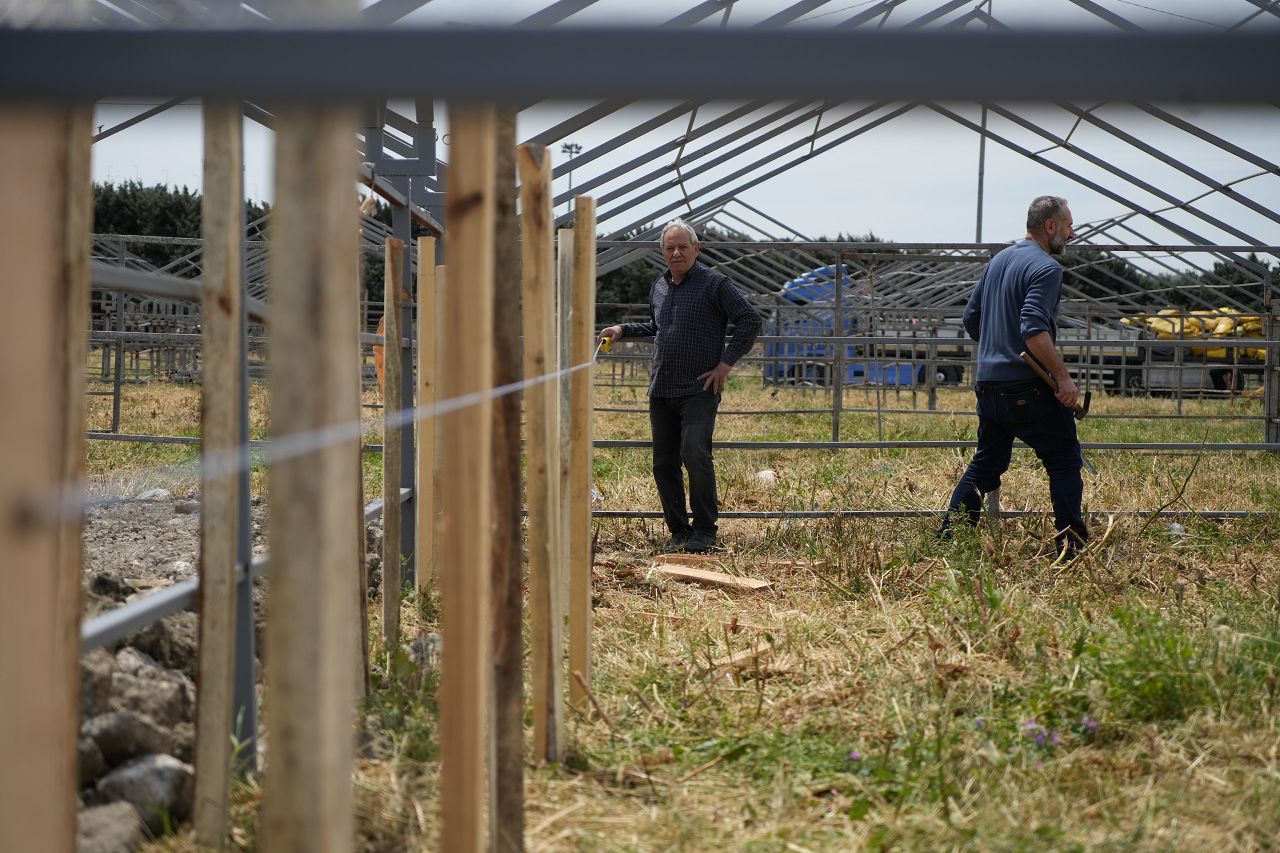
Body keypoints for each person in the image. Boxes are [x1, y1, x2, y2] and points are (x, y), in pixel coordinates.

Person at [599, 219, 762, 553]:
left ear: (696, 249)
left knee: (695, 453)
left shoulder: (715, 284)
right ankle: (678, 530)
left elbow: (750, 320)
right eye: (669, 248)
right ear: (662, 252)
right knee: (663, 463)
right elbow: (657, 326)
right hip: (662, 388)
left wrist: (725, 364)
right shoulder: (658, 287)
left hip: (698, 389)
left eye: (682, 247)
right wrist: (622, 329)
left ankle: (705, 530)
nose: (676, 253)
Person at [941, 196, 1088, 557]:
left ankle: (950, 538)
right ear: (1050, 226)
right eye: (1068, 225)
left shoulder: (998, 262)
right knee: (1064, 460)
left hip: (988, 385)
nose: (1071, 233)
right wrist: (1064, 379)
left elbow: (971, 320)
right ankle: (1071, 545)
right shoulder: (1047, 268)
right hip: (1027, 386)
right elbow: (1035, 329)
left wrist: (996, 342)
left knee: (986, 464)